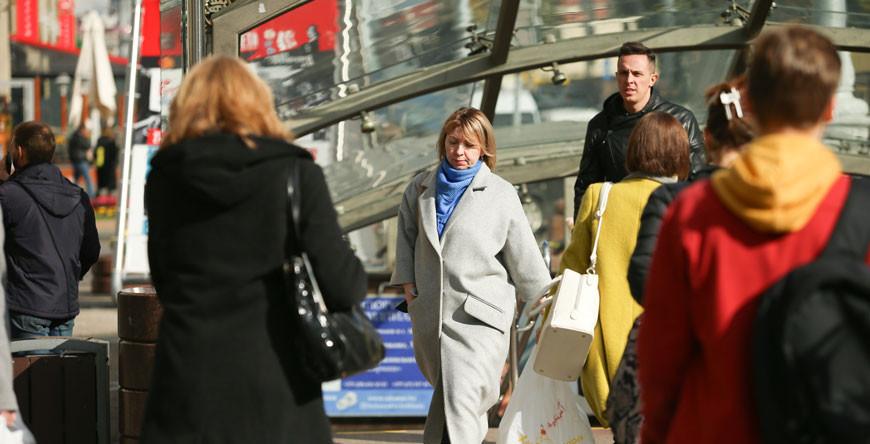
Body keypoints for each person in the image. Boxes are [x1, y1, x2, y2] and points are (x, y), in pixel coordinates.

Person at [638, 26, 865, 444]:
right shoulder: (862, 213)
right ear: (830, 109)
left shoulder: (692, 214)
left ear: (751, 104)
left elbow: (660, 362)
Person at [140, 56, 366, 444]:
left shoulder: (164, 178)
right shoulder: (296, 173)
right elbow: (344, 287)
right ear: (259, 103)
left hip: (188, 379)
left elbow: (164, 280)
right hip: (277, 382)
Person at [606, 77, 757, 444]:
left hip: (674, 354)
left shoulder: (672, 200)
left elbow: (642, 276)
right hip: (749, 355)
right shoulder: (771, 206)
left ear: (706, 138)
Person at [391, 107, 550, 443]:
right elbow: (406, 241)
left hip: (480, 318)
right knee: (450, 401)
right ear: (443, 143)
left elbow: (525, 259)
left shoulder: (501, 193)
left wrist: (547, 304)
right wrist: (409, 290)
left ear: (484, 149)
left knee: (461, 399)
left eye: (469, 145)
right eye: (453, 143)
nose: (459, 152)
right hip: (430, 316)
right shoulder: (419, 188)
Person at [559, 111, 689, 427]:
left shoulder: (599, 196)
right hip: (673, 354)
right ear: (678, 154)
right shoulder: (687, 203)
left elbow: (571, 269)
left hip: (608, 357)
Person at [573, 41, 704, 218]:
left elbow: (696, 179)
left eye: (637, 74)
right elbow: (586, 185)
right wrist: (581, 231)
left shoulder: (680, 120)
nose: (629, 80)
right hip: (619, 220)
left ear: (652, 79)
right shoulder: (600, 125)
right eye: (624, 73)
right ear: (616, 76)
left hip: (666, 218)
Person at [0, 121, 100, 338]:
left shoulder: (8, 195)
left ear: (19, 151)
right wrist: (68, 277)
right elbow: (91, 251)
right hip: (64, 305)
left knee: (28, 371)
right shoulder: (78, 195)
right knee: (58, 371)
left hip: (25, 304)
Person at [67, 123, 94, 196]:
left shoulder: (73, 136)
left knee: (76, 178)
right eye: (85, 129)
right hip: (81, 160)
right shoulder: (79, 137)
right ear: (82, 129)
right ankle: (92, 194)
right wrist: (87, 137)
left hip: (75, 160)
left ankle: (72, 193)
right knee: (87, 178)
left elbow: (70, 149)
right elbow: (87, 145)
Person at [94, 127, 118, 195]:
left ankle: (100, 198)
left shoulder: (99, 140)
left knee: (101, 184)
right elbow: (114, 153)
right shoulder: (111, 142)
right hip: (110, 165)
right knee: (110, 185)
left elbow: (96, 152)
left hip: (100, 164)